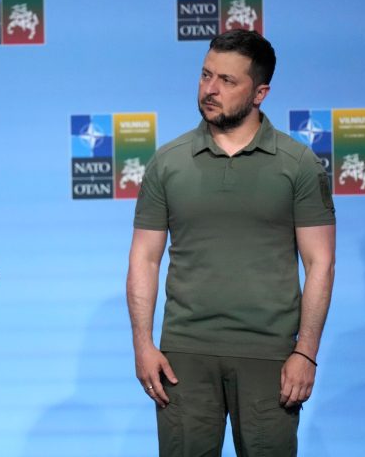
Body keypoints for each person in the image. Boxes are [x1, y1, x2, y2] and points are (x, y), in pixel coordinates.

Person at [125, 30, 335, 456]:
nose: (210, 89)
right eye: (205, 75)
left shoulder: (298, 165)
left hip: (270, 358)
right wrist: (143, 344)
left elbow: (321, 263)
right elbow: (144, 260)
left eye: (227, 81)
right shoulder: (168, 162)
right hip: (183, 356)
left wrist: (306, 353)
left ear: (260, 93)